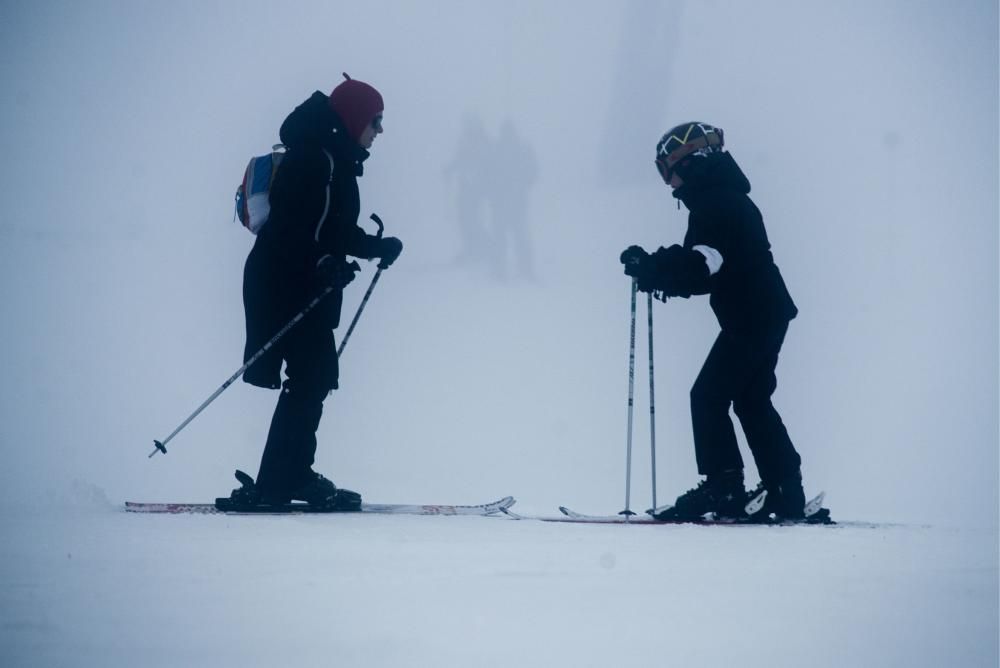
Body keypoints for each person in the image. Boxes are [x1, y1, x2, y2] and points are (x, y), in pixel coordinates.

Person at [226, 73, 403, 510]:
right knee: (310, 377)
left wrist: (373, 247)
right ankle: (280, 482)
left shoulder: (334, 160)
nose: (379, 130)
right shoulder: (314, 159)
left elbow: (331, 230)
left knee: (314, 378)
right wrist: (323, 264)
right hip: (283, 283)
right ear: (354, 117)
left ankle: (288, 476)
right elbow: (290, 231)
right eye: (375, 120)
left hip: (302, 283)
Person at [620, 122, 805, 521]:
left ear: (689, 162)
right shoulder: (723, 198)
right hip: (762, 311)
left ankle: (723, 487)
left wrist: (654, 268)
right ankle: (784, 489)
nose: (668, 181)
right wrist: (659, 271)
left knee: (708, 396)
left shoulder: (717, 202)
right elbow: (713, 266)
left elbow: (705, 263)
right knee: (751, 400)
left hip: (752, 315)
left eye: (666, 169)